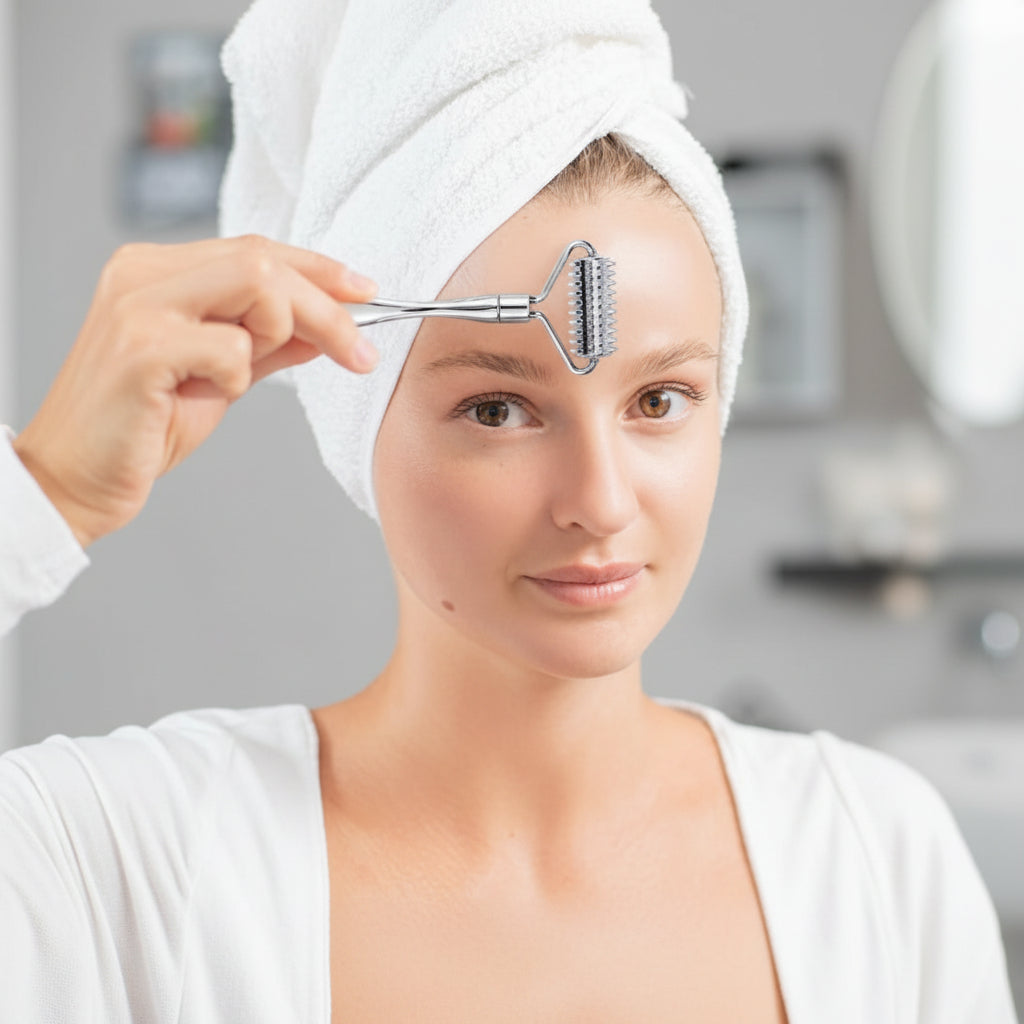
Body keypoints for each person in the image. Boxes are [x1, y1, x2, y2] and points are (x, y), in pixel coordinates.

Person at [1, 130, 1019, 1023]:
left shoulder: (878, 855)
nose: (601, 502)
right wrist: (48, 490)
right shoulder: (117, 862)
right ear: (360, 427)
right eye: (498, 410)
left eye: (660, 399)